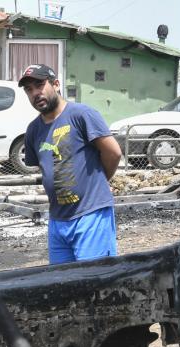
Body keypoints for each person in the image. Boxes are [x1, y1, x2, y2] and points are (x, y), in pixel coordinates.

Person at [19, 64, 122, 264]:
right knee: (62, 284)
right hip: (58, 220)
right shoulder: (33, 130)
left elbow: (114, 153)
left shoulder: (81, 115)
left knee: (94, 281)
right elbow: (46, 168)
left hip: (90, 214)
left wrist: (97, 182)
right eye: (29, 90)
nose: (35, 93)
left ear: (56, 84)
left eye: (40, 85)